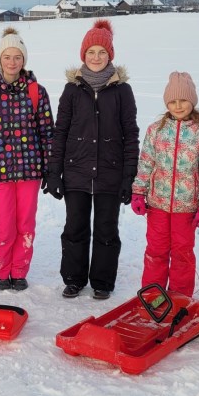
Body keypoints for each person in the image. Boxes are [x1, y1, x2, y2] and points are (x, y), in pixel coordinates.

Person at [45, 19, 140, 300]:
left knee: (106, 229)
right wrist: (54, 173)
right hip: (76, 172)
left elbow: (131, 134)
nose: (96, 57)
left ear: (110, 55)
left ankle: (102, 281)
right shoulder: (72, 90)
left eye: (101, 52)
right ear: (82, 56)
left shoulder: (122, 90)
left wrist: (128, 176)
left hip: (111, 173)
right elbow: (60, 132)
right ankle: (74, 278)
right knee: (75, 227)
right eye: (91, 52)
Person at [0, 27, 54, 291]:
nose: (12, 62)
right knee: (5, 225)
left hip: (30, 171)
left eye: (17, 57)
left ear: (24, 60)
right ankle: (1, 269)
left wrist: (49, 168)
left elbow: (46, 133)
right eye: (7, 57)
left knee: (25, 224)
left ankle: (19, 270)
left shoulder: (36, 92)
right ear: (0, 60)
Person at [131, 72, 199, 297]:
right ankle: (152, 296)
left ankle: (179, 298)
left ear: (193, 101)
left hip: (187, 208)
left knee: (182, 254)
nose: (178, 106)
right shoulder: (156, 131)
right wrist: (138, 192)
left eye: (183, 100)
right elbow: (146, 163)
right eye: (172, 101)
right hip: (157, 205)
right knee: (156, 251)